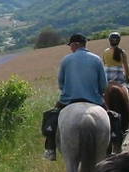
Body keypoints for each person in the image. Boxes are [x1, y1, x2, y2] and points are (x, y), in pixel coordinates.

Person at [42, 33, 108, 161]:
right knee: (110, 116)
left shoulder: (66, 60)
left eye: (71, 45)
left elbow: (61, 84)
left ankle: (50, 150)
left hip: (69, 100)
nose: (70, 48)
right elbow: (103, 85)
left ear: (75, 44)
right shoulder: (96, 59)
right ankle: (112, 148)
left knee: (51, 117)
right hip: (94, 99)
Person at [102, 31, 129, 117]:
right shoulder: (122, 52)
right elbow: (126, 67)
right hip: (119, 77)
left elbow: (104, 63)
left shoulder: (105, 51)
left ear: (109, 41)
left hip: (107, 77)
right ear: (119, 40)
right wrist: (127, 77)